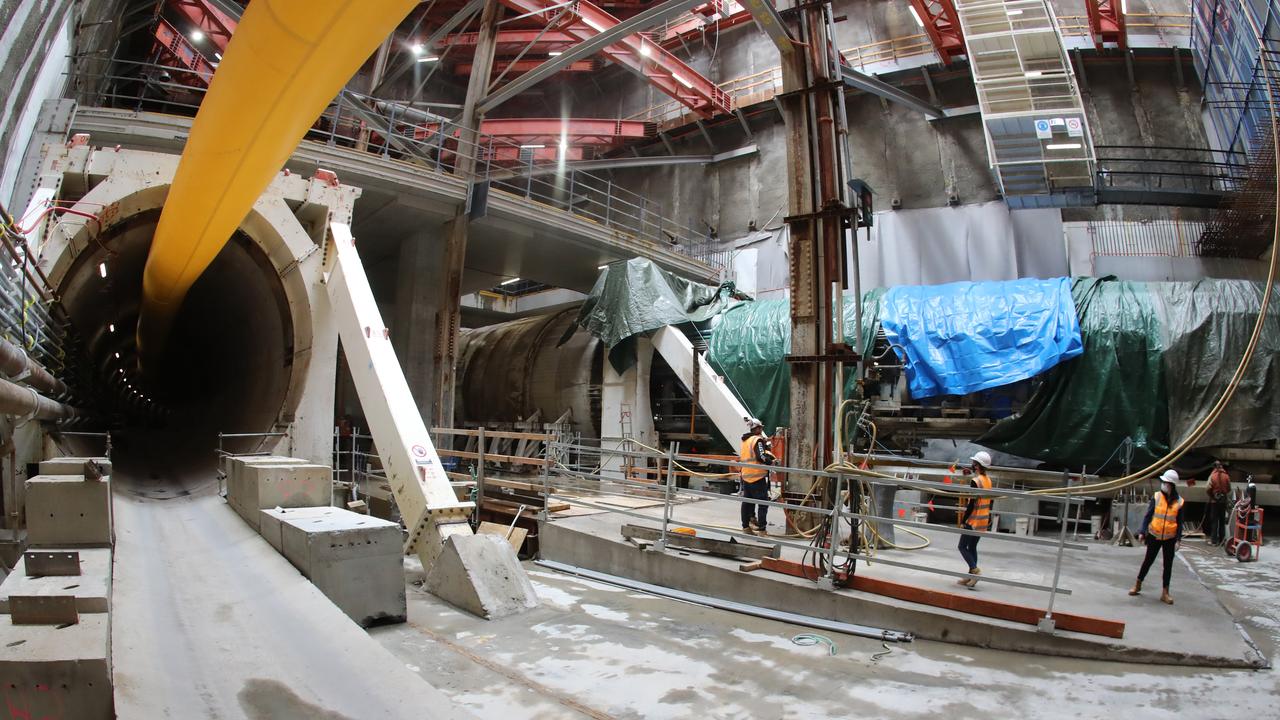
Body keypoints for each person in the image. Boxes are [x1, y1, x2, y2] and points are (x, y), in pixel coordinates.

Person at [1129, 470, 1185, 605]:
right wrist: (1142, 531)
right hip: (1154, 535)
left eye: (1165, 483)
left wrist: (1178, 539)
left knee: (1168, 565)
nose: (1163, 485)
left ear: (1171, 484)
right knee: (1148, 561)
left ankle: (1165, 593)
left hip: (1169, 538)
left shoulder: (1180, 502)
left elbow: (1180, 522)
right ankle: (1138, 584)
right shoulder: (1157, 497)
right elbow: (1148, 516)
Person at [957, 451, 994, 588]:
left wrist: (964, 520)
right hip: (984, 519)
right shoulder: (988, 480)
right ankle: (971, 577)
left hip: (973, 520)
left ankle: (975, 571)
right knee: (972, 547)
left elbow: (971, 504)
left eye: (974, 463)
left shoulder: (976, 481)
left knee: (962, 546)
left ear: (978, 466)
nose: (972, 465)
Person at [738, 418, 776, 536]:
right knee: (763, 503)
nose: (761, 430)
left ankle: (745, 527)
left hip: (746, 475)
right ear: (758, 428)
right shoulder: (757, 440)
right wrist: (771, 462)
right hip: (757, 476)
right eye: (761, 428)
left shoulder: (745, 440)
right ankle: (762, 530)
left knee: (747, 502)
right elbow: (761, 457)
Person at [1206, 460, 1231, 545]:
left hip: (1214, 502)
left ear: (1214, 467)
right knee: (1222, 520)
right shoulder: (1226, 476)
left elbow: (1208, 488)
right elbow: (1229, 489)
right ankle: (1222, 540)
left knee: (1214, 521)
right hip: (1223, 502)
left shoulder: (1212, 476)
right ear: (1221, 466)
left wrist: (1212, 496)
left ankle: (1213, 541)